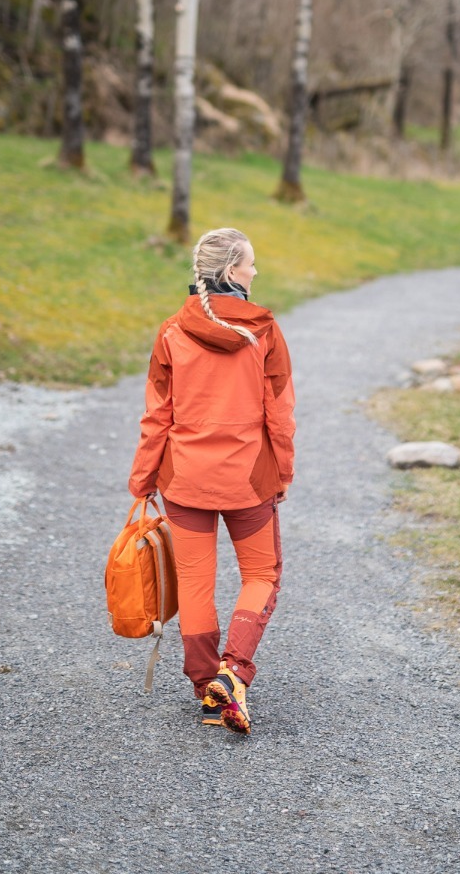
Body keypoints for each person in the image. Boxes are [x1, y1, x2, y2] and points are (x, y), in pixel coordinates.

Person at [127, 227, 295, 734]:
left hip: (184, 479)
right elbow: (280, 414)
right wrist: (282, 471)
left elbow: (157, 414)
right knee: (261, 575)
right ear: (230, 273)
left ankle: (207, 689)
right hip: (248, 479)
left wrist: (143, 479)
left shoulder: (170, 332)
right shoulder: (263, 331)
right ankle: (234, 672)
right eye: (250, 264)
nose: (256, 272)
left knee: (197, 583)